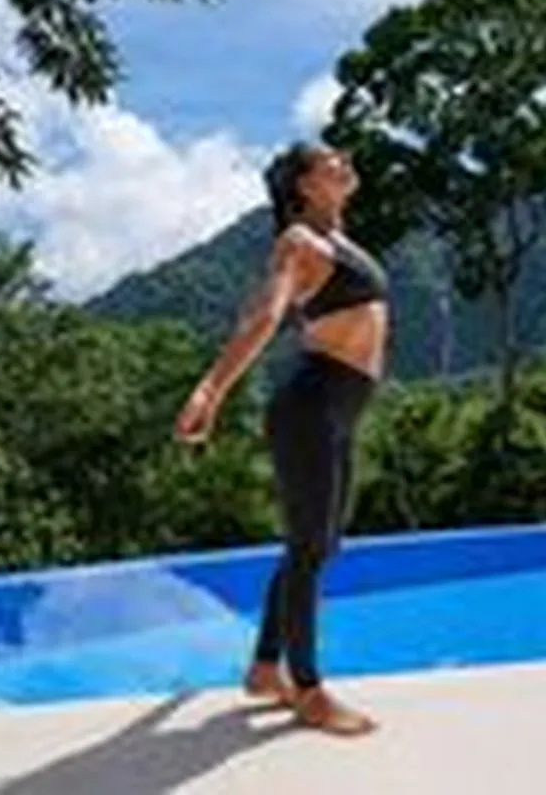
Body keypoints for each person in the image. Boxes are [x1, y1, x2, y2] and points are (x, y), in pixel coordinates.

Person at [174, 143, 390, 736]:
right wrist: (209, 391)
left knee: (316, 546)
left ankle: (265, 669)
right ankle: (309, 690)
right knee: (309, 548)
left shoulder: (340, 242)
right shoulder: (298, 243)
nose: (344, 159)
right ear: (303, 186)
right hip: (311, 404)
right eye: (329, 161)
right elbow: (263, 318)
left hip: (339, 409)